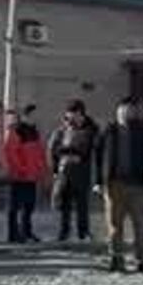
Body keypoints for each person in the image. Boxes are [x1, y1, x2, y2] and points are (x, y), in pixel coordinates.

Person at [96, 98, 143, 274]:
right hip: (114, 184)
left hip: (137, 184)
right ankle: (116, 259)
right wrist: (98, 182)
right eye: (122, 110)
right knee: (114, 224)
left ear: (134, 112)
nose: (126, 113)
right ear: (117, 112)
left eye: (129, 110)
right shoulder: (108, 132)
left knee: (140, 225)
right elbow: (98, 157)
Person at [46, 101, 97, 242]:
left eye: (73, 116)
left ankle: (83, 232)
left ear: (81, 114)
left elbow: (87, 150)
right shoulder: (62, 131)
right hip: (64, 173)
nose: (70, 120)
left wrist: (75, 154)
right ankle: (64, 232)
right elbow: (53, 149)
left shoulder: (90, 130)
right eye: (68, 117)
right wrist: (56, 167)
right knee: (65, 205)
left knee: (82, 205)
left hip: (82, 173)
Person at [0, 111, 46, 244]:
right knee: (15, 206)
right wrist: (21, 169)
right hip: (19, 176)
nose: (34, 118)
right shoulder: (17, 131)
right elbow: (11, 152)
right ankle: (13, 233)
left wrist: (40, 169)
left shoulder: (34, 132)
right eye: (31, 115)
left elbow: (39, 152)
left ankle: (26, 231)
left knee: (29, 206)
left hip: (32, 176)